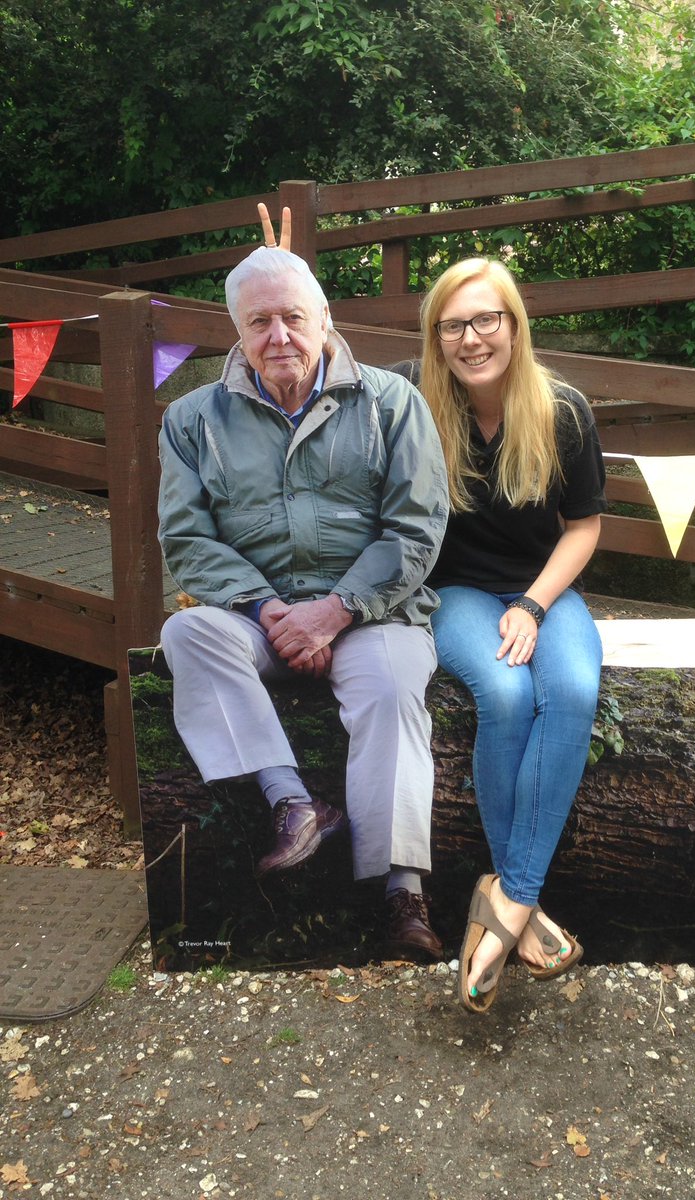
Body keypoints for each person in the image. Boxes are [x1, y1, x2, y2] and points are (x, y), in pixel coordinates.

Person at [156, 209, 449, 960]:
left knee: (390, 686)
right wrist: (270, 608)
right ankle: (295, 802)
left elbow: (416, 529)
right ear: (237, 332)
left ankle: (402, 896)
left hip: (374, 612)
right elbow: (186, 540)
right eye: (260, 323)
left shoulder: (392, 402)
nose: (278, 336)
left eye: (293, 317)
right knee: (186, 631)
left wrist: (337, 608)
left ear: (326, 318)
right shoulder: (192, 420)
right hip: (257, 613)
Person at [411, 257, 606, 1012]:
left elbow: (584, 528)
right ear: (437, 336)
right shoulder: (416, 403)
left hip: (544, 587)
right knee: (502, 691)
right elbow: (324, 358)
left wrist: (531, 602)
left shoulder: (562, 410)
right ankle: (520, 914)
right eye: (453, 324)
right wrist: (285, 278)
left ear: (515, 324)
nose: (470, 338)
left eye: (485, 319)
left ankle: (505, 901)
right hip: (454, 591)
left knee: (573, 688)